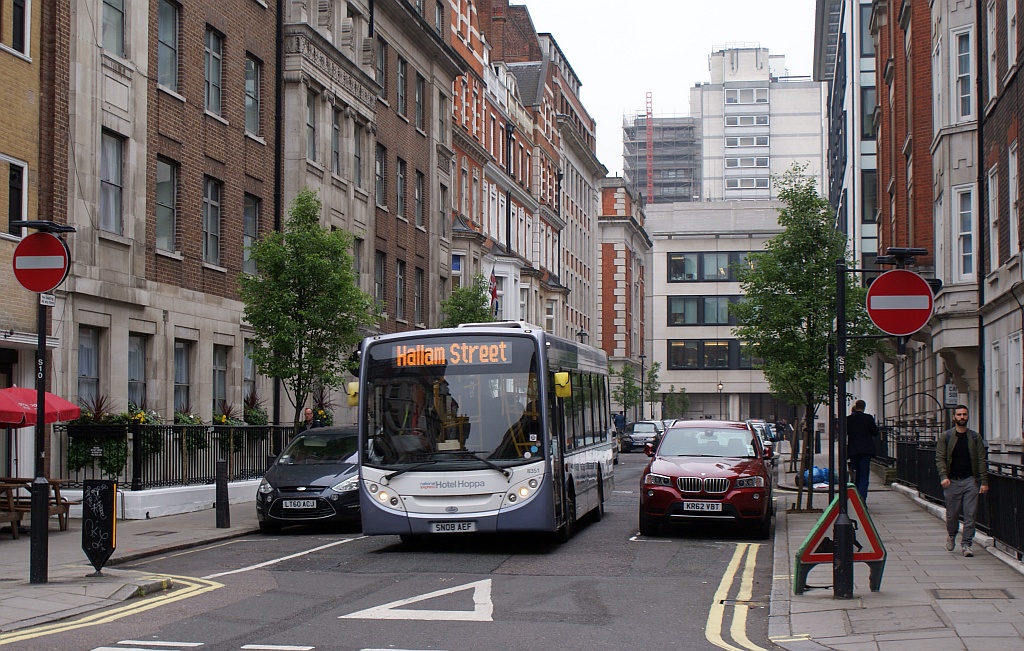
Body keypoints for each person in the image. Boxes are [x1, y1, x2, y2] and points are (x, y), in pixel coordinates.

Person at [935, 404, 989, 557]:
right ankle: (951, 534)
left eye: (964, 414)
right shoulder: (946, 436)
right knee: (952, 514)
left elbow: (981, 459)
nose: (962, 417)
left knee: (970, 514)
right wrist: (943, 476)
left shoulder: (974, 437)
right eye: (959, 415)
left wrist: (983, 482)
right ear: (954, 417)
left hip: (970, 481)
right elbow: (940, 458)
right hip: (952, 481)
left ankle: (966, 544)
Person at [846, 399, 880, 502]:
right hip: (866, 450)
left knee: (855, 473)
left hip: (853, 450)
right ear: (864, 407)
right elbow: (875, 432)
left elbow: (844, 433)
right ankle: (862, 498)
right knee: (864, 474)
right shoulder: (868, 418)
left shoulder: (849, 419)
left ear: (856, 407)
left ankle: (855, 496)